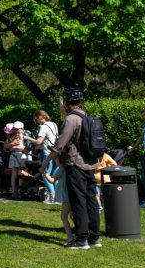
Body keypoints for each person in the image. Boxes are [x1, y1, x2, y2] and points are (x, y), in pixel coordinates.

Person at [48, 88, 101, 250]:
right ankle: (95, 238)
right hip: (90, 164)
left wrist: (45, 164)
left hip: (75, 165)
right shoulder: (87, 116)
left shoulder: (70, 119)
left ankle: (81, 239)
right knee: (91, 200)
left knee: (78, 201)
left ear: (67, 102)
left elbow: (59, 145)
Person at [27, 110, 59, 204]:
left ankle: (52, 196)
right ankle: (58, 197)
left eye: (36, 119)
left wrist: (28, 138)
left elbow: (38, 142)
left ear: (40, 117)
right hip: (56, 152)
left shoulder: (43, 127)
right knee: (54, 176)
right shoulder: (54, 124)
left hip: (47, 153)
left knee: (45, 174)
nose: (36, 122)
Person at [44, 155, 75, 246]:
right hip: (71, 195)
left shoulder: (60, 169)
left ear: (60, 160)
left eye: (56, 159)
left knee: (63, 217)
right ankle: (79, 233)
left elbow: (52, 180)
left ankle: (70, 237)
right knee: (72, 215)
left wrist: (44, 173)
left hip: (66, 197)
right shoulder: (68, 169)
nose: (55, 161)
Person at [5, 121, 28, 199]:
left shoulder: (25, 136)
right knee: (14, 173)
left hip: (22, 155)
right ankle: (14, 191)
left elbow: (27, 147)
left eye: (17, 129)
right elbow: (6, 146)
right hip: (14, 154)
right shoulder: (12, 137)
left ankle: (19, 190)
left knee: (20, 172)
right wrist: (12, 144)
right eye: (14, 129)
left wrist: (20, 147)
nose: (16, 130)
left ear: (22, 129)